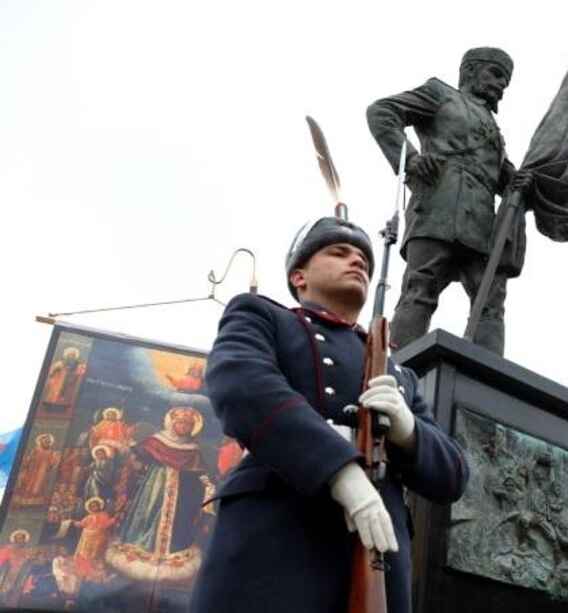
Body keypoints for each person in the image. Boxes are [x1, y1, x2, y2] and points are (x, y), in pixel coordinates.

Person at [189, 216, 470, 613]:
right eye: (339, 253)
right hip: (277, 539)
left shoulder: (398, 374)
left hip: (377, 556)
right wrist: (340, 472)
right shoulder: (263, 317)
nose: (356, 262)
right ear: (299, 276)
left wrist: (409, 432)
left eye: (363, 261)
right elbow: (243, 387)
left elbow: (454, 475)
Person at [366, 46, 532, 355]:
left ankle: (488, 377)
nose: (501, 85)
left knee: (491, 301)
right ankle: (401, 368)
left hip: (481, 221)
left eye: (505, 82)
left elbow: (500, 173)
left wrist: (518, 181)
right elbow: (381, 112)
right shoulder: (439, 94)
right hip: (437, 205)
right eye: (496, 75)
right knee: (421, 288)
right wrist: (411, 159)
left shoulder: (493, 130)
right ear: (470, 70)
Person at [104, 406, 211, 582]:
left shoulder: (192, 448)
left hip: (182, 493)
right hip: (155, 487)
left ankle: (171, 555)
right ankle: (141, 551)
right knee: (147, 514)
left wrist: (205, 484)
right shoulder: (157, 441)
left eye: (188, 424)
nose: (185, 427)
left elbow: (199, 470)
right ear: (173, 423)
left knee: (178, 521)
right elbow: (141, 455)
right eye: (181, 423)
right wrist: (129, 444)